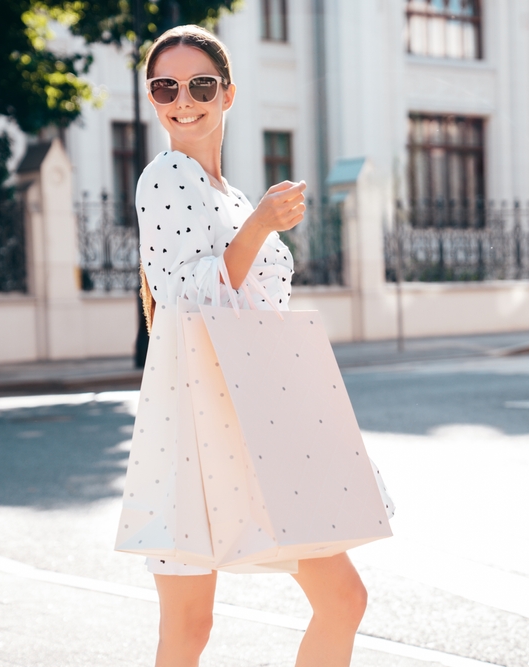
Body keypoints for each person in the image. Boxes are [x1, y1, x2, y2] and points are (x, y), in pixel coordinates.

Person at [131, 25, 370, 667]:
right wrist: (263, 224)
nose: (183, 99)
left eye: (200, 84)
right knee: (188, 626)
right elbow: (190, 300)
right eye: (165, 86)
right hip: (200, 417)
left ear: (229, 94)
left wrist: (256, 217)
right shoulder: (164, 178)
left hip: (262, 410)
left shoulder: (229, 195)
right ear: (152, 97)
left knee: (343, 598)